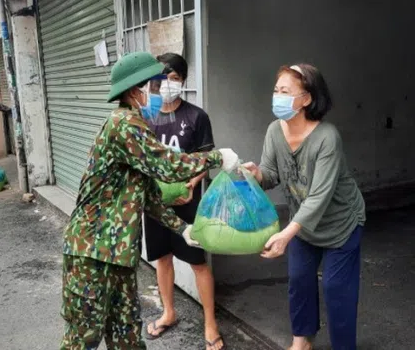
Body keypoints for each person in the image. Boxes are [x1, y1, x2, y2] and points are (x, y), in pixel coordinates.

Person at [60, 51, 239, 350]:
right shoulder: (124, 124)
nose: (159, 93)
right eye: (154, 86)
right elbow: (167, 166)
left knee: (127, 334)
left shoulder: (136, 124)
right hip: (91, 253)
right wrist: (217, 157)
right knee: (83, 339)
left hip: (117, 255)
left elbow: (148, 194)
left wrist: (181, 228)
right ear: (135, 91)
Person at [243, 64, 366, 350]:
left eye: (285, 91)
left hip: (341, 224)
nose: (277, 97)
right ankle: (302, 341)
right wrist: (256, 174)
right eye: (276, 90)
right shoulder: (275, 130)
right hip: (304, 226)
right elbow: (271, 173)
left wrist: (286, 235)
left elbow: (319, 197)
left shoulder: (327, 138)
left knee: (337, 289)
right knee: (299, 281)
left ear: (306, 99)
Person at [143, 53, 224, 350]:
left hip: (189, 204)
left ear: (183, 81)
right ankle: (169, 312)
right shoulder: (146, 117)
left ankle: (210, 322)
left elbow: (206, 159)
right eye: (161, 79)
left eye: (173, 78)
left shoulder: (197, 117)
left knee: (198, 263)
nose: (167, 85)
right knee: (162, 259)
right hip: (154, 204)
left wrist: (191, 183)